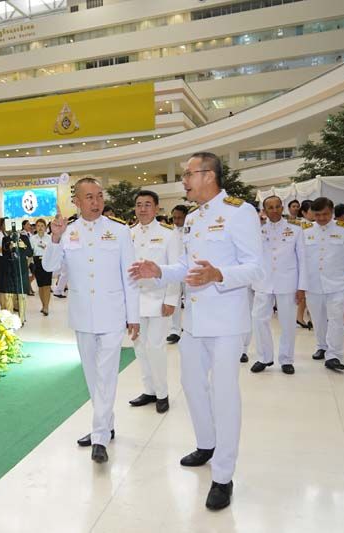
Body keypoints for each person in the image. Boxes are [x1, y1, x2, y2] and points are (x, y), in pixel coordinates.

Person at [129, 152, 263, 511]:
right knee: (191, 385)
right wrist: (159, 270)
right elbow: (186, 268)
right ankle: (207, 444)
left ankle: (223, 476)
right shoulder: (192, 218)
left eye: (188, 174)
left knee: (224, 394)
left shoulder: (240, 212)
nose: (184, 180)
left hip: (227, 320)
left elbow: (256, 268)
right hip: (195, 321)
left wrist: (219, 274)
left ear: (209, 175)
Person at [43, 177, 139, 465]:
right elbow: (49, 267)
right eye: (89, 197)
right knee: (92, 376)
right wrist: (55, 238)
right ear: (77, 201)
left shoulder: (119, 231)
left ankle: (99, 437)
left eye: (99, 196)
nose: (96, 202)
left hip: (112, 313)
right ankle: (106, 425)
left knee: (107, 375)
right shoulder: (68, 231)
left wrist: (133, 316)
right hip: (82, 315)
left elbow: (130, 276)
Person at [129, 190, 181, 413]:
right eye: (139, 205)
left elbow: (176, 269)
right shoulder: (128, 234)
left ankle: (162, 393)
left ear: (157, 208)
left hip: (159, 299)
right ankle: (149, 390)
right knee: (140, 347)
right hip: (135, 301)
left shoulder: (169, 234)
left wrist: (171, 299)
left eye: (148, 204)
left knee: (155, 347)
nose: (143, 209)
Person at [250, 195, 306, 375]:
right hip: (263, 282)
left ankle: (286, 359)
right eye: (270, 207)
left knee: (288, 322)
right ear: (264, 211)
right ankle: (264, 357)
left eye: (277, 207)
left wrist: (302, 286)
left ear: (282, 208)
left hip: (287, 282)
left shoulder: (295, 229)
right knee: (259, 319)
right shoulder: (257, 231)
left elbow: (303, 260)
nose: (274, 210)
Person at [301, 197, 344, 372]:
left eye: (325, 214)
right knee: (317, 318)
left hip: (337, 283)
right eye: (317, 215)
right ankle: (322, 346)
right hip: (313, 283)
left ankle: (334, 355)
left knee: (335, 319)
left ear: (332, 212)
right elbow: (301, 259)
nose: (321, 218)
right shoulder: (306, 231)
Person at [2, 222, 33, 322]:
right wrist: (9, 247)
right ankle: (10, 319)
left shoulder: (24, 238)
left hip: (22, 269)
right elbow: (4, 253)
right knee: (9, 295)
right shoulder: (5, 239)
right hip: (9, 270)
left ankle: (22, 318)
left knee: (22, 294)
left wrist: (23, 246)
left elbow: (30, 252)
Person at [167, 204, 188, 344]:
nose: (176, 221)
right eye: (174, 217)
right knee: (174, 300)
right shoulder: (169, 232)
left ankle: (188, 328)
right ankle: (175, 330)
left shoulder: (192, 230)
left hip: (189, 271)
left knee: (189, 300)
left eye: (179, 218)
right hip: (174, 270)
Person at [29, 218, 53, 316]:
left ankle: (46, 307)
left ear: (46, 227)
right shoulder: (32, 238)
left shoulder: (50, 238)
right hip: (37, 261)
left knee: (47, 285)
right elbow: (30, 252)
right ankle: (43, 305)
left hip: (47, 261)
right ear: (35, 227)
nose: (40, 228)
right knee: (41, 286)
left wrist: (46, 248)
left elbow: (53, 250)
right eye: (38, 226)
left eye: (42, 226)